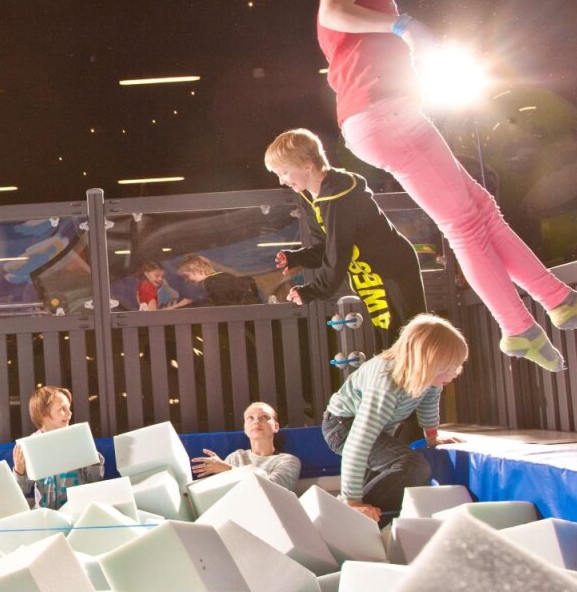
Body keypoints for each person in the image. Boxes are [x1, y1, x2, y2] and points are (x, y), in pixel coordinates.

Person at [291, 0, 577, 371]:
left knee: (481, 211)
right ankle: (520, 326)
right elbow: (335, 11)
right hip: (382, 115)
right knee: (465, 225)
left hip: (382, 117)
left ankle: (557, 303)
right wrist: (402, 24)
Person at [265, 128, 426, 349]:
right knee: (389, 339)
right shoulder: (307, 196)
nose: (282, 181)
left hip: (392, 268)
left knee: (413, 337)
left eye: (284, 172)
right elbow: (325, 246)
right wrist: (296, 258)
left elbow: (338, 254)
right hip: (367, 272)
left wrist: (311, 291)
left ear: (307, 166)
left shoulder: (339, 196)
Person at [321, 313, 466, 522]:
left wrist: (432, 436)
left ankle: (356, 521)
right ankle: (347, 516)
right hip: (343, 426)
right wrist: (351, 500)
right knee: (412, 466)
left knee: (377, 484)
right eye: (451, 367)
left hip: (373, 429)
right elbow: (358, 443)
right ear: (428, 363)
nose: (456, 372)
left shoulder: (428, 379)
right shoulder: (385, 386)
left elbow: (428, 403)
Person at [12, 385, 105, 508]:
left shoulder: (77, 437)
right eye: (62, 409)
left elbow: (95, 478)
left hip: (77, 508)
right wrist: (19, 471)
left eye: (69, 408)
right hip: (46, 512)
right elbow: (21, 491)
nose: (69, 413)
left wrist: (91, 456)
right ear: (43, 413)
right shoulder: (30, 446)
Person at [191, 402, 302, 492]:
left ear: (276, 427)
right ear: (245, 429)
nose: (256, 422)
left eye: (264, 417)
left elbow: (274, 490)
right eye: (250, 418)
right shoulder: (235, 457)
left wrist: (229, 469)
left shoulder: (288, 461)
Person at [177, 254, 262, 306]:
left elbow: (224, 307)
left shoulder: (212, 282)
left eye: (187, 276)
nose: (186, 280)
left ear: (199, 270)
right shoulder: (224, 277)